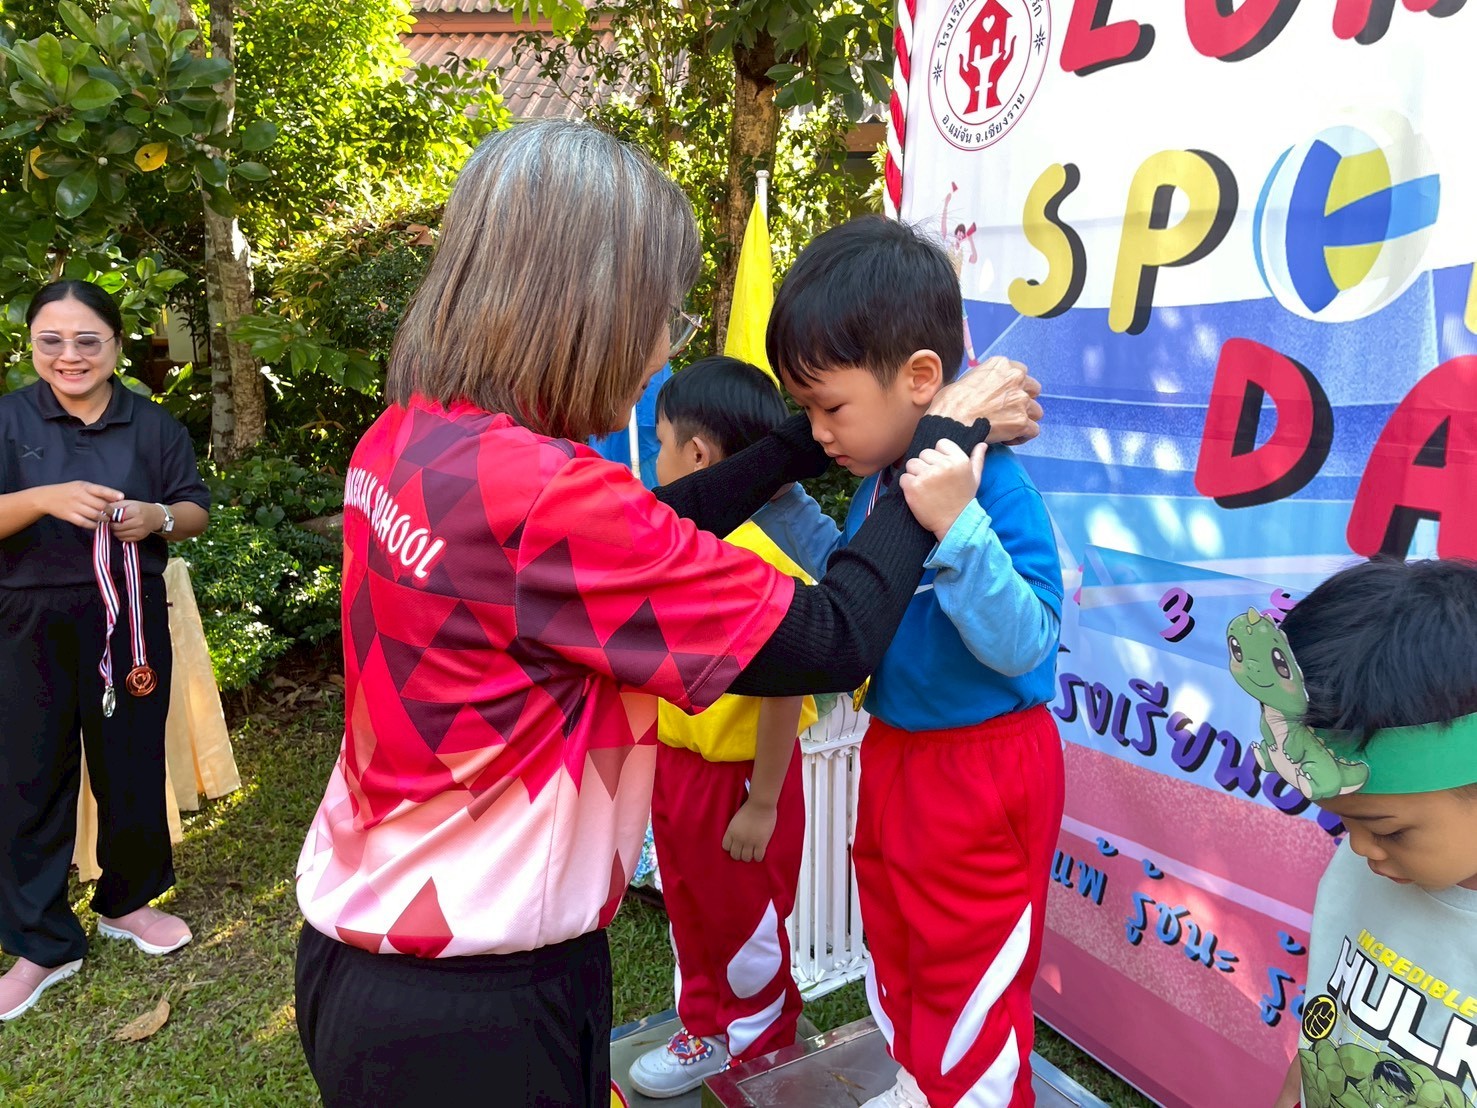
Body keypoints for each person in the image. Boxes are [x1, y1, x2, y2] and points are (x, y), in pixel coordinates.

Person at [292, 119, 1043, 1108]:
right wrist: (940, 444)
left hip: (373, 954)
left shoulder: (410, 441)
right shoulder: (546, 502)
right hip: (473, 1005)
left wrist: (802, 443)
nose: (660, 349)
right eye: (664, 315)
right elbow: (833, 640)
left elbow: (645, 531)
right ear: (591, 308)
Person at [760, 215, 1065, 1108]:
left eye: (830, 407)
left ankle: (965, 1092)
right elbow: (859, 583)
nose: (818, 431)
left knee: (968, 965)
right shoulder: (878, 482)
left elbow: (1027, 643)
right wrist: (781, 506)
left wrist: (959, 527)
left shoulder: (992, 488)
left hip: (983, 767)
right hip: (896, 752)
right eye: (806, 410)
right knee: (894, 937)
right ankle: (918, 1081)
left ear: (921, 380)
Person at [0, 279, 210, 1022]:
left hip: (130, 622)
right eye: (51, 340)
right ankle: (41, 942)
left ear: (116, 345)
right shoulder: (8, 419)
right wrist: (42, 499)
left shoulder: (151, 425)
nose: (70, 355)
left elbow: (194, 509)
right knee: (27, 775)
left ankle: (128, 901)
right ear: (30, 345)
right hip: (24, 621)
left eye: (88, 340)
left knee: (130, 761)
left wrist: (157, 516)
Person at [628, 357, 818, 1097]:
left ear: (700, 455)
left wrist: (763, 801)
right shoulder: (682, 546)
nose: (657, 461)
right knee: (690, 908)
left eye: (661, 444)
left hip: (741, 779)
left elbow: (786, 685)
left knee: (747, 925)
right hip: (681, 769)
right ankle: (704, 1031)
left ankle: (761, 1052)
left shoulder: (760, 553)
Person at [1255, 559, 1477, 1108]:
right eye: (1341, 819)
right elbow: (1330, 1021)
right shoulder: (1369, 861)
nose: (1356, 847)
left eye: (1388, 831)